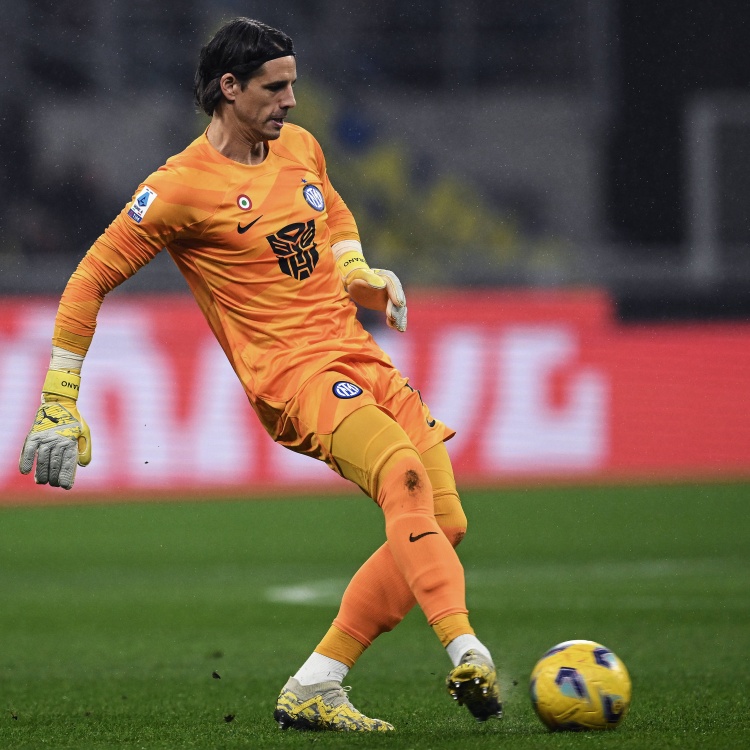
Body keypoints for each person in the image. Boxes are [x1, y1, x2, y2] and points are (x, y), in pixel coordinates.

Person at [18, 17, 501, 733]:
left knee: (446, 520)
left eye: (293, 84)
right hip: (293, 377)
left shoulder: (300, 147)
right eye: (275, 88)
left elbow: (333, 215)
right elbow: (89, 279)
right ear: (229, 88)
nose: (292, 101)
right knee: (401, 474)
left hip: (358, 355)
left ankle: (317, 683)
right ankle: (466, 650)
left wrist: (359, 273)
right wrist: (59, 395)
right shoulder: (180, 188)